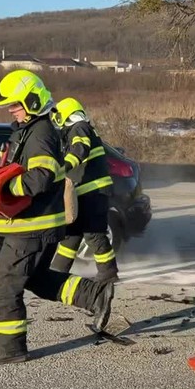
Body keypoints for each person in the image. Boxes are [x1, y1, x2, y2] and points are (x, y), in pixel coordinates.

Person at [0, 69, 116, 366]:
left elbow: (39, 178)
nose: (12, 111)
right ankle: (94, 296)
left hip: (30, 227)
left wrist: (2, 186)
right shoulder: (29, 129)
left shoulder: (39, 132)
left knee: (4, 287)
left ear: (32, 100)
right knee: (37, 279)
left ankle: (10, 348)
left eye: (15, 105)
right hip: (37, 225)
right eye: (10, 106)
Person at [49, 97, 118, 283]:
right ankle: (57, 271)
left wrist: (63, 167)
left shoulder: (79, 128)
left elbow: (80, 148)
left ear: (66, 115)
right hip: (86, 193)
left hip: (94, 193)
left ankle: (108, 273)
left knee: (93, 233)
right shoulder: (80, 129)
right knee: (71, 234)